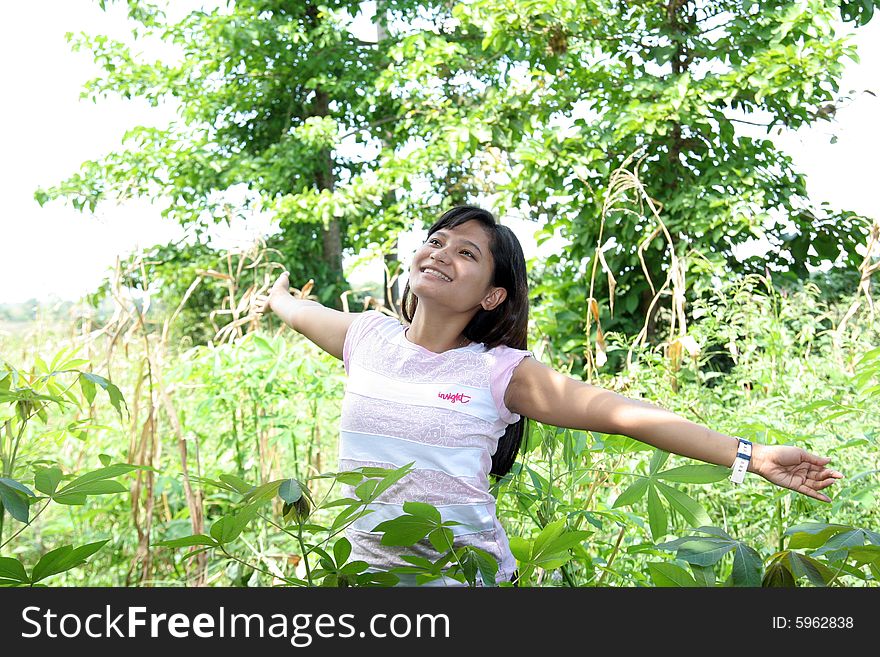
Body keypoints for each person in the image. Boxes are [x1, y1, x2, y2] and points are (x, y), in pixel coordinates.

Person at [251, 205, 844, 586]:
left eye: (467, 253)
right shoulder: (367, 336)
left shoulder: (500, 372)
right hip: (366, 581)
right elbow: (300, 310)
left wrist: (751, 455)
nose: (442, 253)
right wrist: (275, 295)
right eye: (437, 240)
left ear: (491, 297)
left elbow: (624, 415)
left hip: (467, 581)